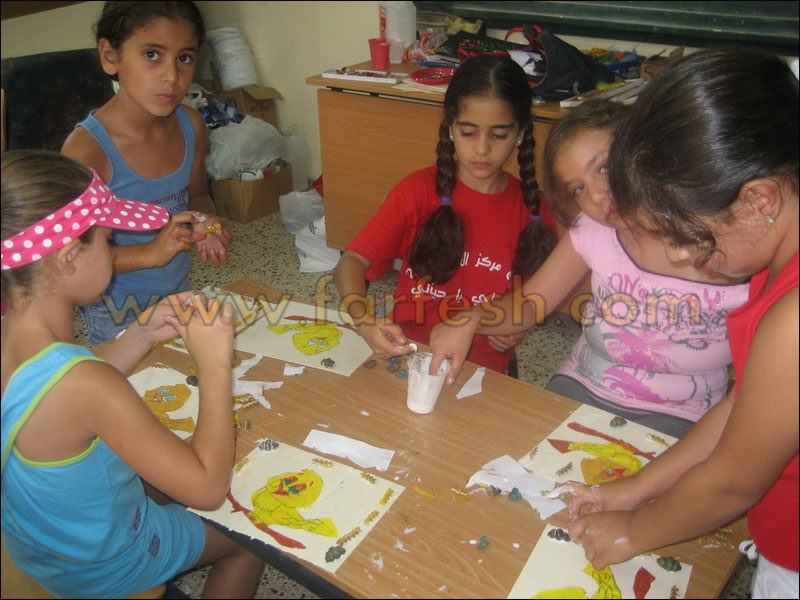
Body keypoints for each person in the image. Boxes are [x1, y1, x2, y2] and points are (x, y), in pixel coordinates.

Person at [549, 49, 798, 599]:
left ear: (759, 200)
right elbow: (747, 405)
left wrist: (634, 531)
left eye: (686, 233)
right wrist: (633, 490)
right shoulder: (773, 257)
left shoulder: (794, 318)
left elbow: (731, 482)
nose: (681, 256)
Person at [0, 150, 264, 598]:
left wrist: (140, 333)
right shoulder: (88, 385)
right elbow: (207, 489)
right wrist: (214, 364)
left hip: (40, 543)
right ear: (68, 257)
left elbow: (53, 392)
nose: (113, 250)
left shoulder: (18, 336)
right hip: (105, 564)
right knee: (253, 539)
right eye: (108, 241)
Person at [429, 98, 750, 437]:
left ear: (644, 152)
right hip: (584, 383)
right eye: (578, 188)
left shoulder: (727, 248)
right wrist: (472, 318)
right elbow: (530, 302)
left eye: (604, 167)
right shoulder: (593, 229)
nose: (597, 195)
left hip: (681, 410)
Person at [334, 55, 557, 375]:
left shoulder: (533, 212)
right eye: (468, 132)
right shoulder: (417, 192)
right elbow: (351, 261)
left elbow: (534, 301)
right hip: (409, 353)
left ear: (520, 134)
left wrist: (514, 326)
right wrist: (364, 320)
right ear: (451, 128)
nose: (482, 149)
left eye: (499, 135)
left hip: (482, 370)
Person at [62, 0, 231, 346]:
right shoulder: (87, 151)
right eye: (152, 54)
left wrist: (204, 222)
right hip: (115, 309)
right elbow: (72, 259)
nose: (172, 76)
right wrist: (152, 252)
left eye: (185, 58)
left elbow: (197, 195)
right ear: (110, 57)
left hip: (177, 289)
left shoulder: (191, 125)